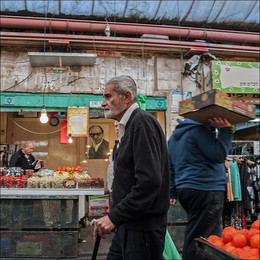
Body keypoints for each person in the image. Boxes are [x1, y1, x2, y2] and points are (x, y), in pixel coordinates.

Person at [93, 75, 170, 260]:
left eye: (108, 97)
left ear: (126, 97)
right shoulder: (130, 126)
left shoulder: (141, 123)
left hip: (142, 230)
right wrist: (116, 217)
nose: (103, 103)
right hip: (128, 225)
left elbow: (149, 182)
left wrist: (114, 217)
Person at [168, 117, 233, 260]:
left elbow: (170, 167)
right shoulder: (199, 130)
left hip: (186, 190)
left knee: (195, 234)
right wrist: (226, 130)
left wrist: (172, 192)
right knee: (204, 240)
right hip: (206, 188)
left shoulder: (174, 137)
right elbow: (218, 155)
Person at [107, 120, 119, 203]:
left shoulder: (129, 144)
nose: (117, 129)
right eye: (115, 126)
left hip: (122, 190)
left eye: (120, 126)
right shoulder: (116, 145)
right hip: (113, 188)